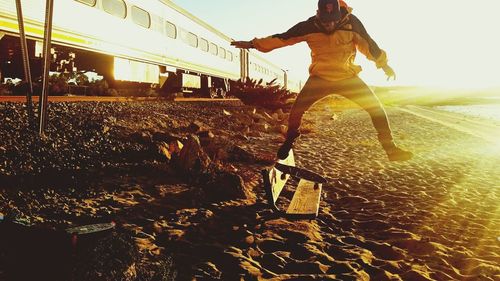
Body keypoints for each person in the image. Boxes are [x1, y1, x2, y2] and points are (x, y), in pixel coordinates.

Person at [231, 0, 413, 161]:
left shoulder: (352, 22)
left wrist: (384, 64)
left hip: (347, 77)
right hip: (320, 78)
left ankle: (390, 149)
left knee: (376, 108)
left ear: (339, 14)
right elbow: (282, 38)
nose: (330, 25)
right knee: (296, 111)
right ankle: (290, 139)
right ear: (318, 15)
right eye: (326, 21)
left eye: (334, 20)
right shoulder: (308, 26)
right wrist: (253, 44)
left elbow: (369, 45)